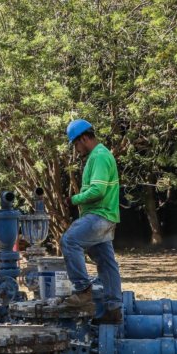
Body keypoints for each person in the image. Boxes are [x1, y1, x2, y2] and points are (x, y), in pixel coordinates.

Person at [60, 119, 123, 324]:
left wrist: (74, 199)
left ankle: (82, 291)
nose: (76, 149)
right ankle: (113, 309)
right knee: (106, 262)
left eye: (75, 144)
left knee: (69, 241)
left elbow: (97, 190)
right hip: (106, 216)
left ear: (84, 138)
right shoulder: (99, 155)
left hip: (99, 215)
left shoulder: (99, 156)